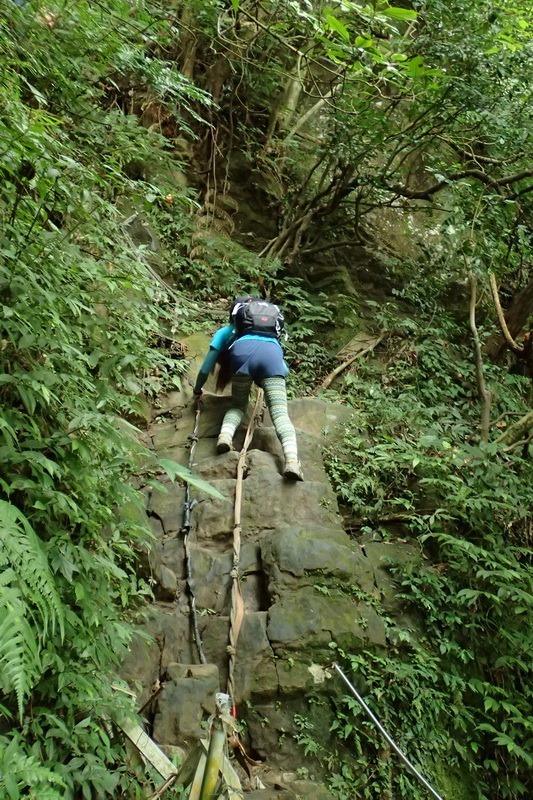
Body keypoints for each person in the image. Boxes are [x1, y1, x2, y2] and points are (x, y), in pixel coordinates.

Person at [193, 297, 304, 481]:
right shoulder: (271, 336)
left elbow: (205, 368)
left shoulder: (229, 332)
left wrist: (197, 390)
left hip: (241, 357)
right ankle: (292, 460)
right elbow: (284, 370)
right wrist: (269, 374)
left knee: (238, 406)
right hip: (272, 359)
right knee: (281, 415)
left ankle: (225, 436)